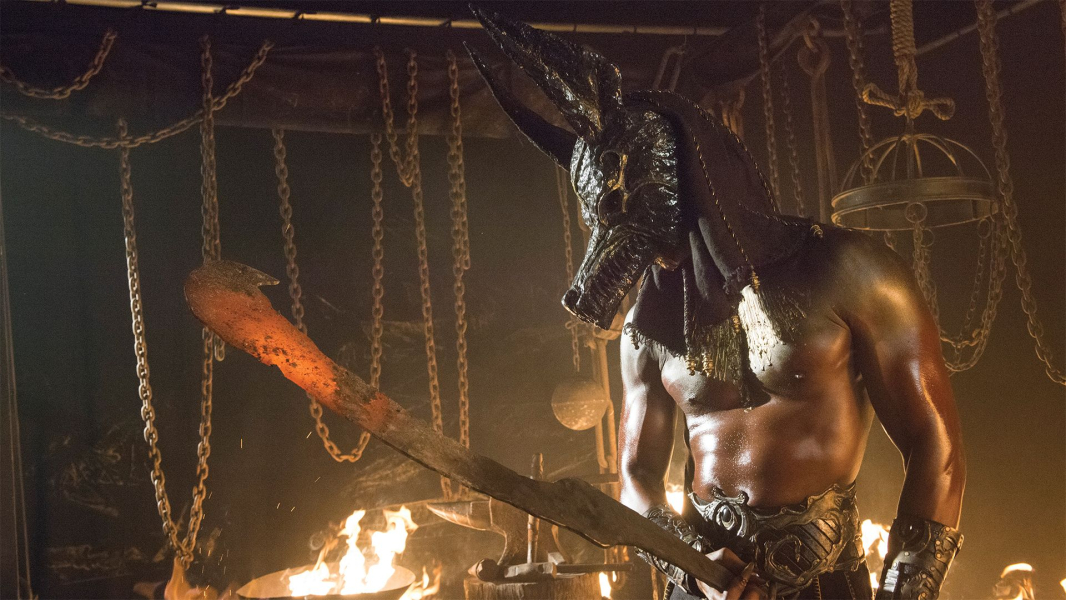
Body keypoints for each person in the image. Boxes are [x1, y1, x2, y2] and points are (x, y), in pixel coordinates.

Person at [469, 7, 965, 599]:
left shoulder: (849, 269)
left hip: (825, 584)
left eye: (657, 241)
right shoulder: (648, 326)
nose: (656, 263)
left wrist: (905, 594)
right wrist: (692, 565)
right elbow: (636, 477)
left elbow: (934, 443)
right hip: (702, 587)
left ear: (695, 191)